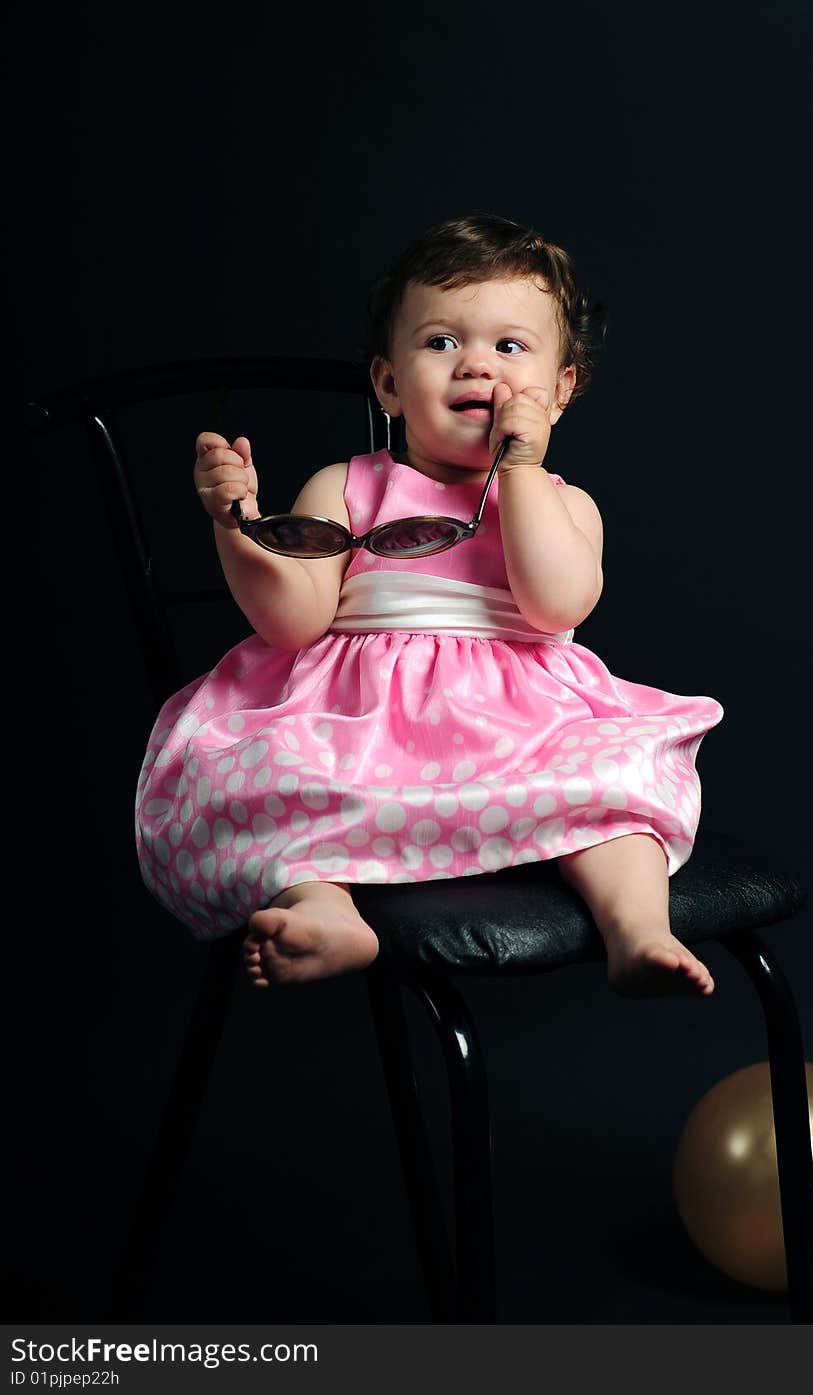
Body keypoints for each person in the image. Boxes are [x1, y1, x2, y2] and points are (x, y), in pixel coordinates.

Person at [136, 213, 724, 997]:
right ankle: (326, 910)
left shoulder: (562, 500)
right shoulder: (345, 485)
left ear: (561, 388)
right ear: (387, 383)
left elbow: (554, 606)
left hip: (524, 729)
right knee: (266, 779)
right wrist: (239, 527)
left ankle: (638, 928)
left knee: (617, 796)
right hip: (360, 724)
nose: (476, 366)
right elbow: (295, 620)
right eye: (442, 342)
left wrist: (518, 471)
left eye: (509, 347)